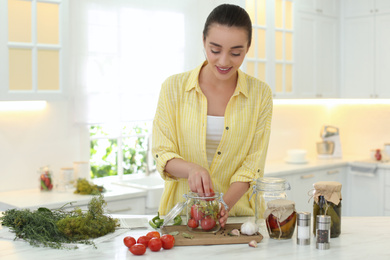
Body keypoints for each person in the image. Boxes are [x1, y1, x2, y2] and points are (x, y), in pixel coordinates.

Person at [152, 4, 273, 227]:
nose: (224, 61)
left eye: (236, 53)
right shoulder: (173, 88)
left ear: (247, 47)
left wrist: (222, 206)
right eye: (215, 50)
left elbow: (252, 166)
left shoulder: (260, 94)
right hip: (180, 219)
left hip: (239, 219)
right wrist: (192, 169)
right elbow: (162, 152)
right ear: (203, 41)